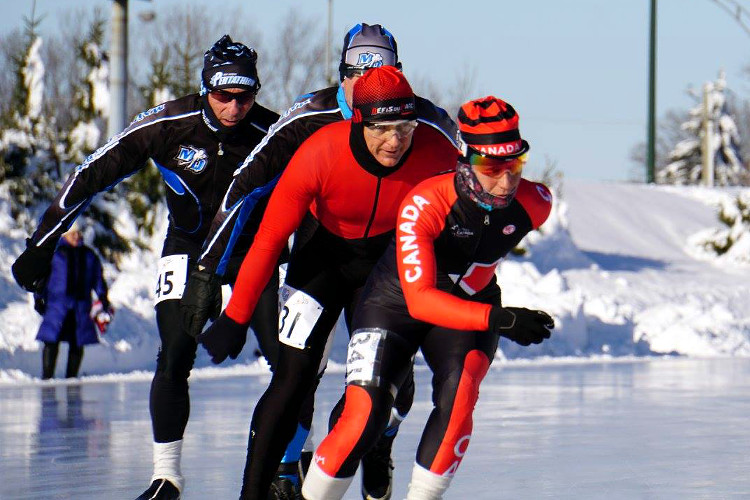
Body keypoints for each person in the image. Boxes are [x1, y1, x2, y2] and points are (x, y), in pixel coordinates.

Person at [180, 23, 457, 500]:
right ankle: (265, 484)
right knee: (292, 379)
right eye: (381, 129)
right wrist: (230, 306)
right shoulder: (316, 142)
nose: (393, 142)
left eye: (403, 130)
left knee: (389, 382)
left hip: (388, 262)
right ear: (352, 110)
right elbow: (266, 232)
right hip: (322, 252)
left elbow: (467, 211)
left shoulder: (431, 137)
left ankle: (377, 439)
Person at [10, 35, 280, 500]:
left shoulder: (273, 132)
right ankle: (166, 477)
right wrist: (41, 245)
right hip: (188, 248)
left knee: (287, 360)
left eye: (245, 96)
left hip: (254, 253)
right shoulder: (169, 124)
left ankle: (289, 467)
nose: (235, 107)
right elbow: (91, 172)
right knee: (175, 353)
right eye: (223, 96)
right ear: (204, 89)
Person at [300, 96, 556, 500]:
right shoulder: (424, 203)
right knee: (364, 416)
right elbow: (420, 301)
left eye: (514, 165)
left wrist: (491, 314)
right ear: (466, 159)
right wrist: (501, 320)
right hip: (396, 302)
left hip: (467, 305)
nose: (506, 181)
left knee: (461, 396)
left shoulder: (535, 203)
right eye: (491, 167)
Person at [33, 223, 110, 379]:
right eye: (72, 233)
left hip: (80, 306)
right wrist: (38, 298)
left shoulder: (89, 256)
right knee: (51, 340)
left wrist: (103, 297)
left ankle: (72, 377)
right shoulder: (55, 254)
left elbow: (97, 279)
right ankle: (47, 376)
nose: (76, 236)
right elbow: (41, 279)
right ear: (64, 235)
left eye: (78, 233)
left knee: (77, 341)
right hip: (57, 305)